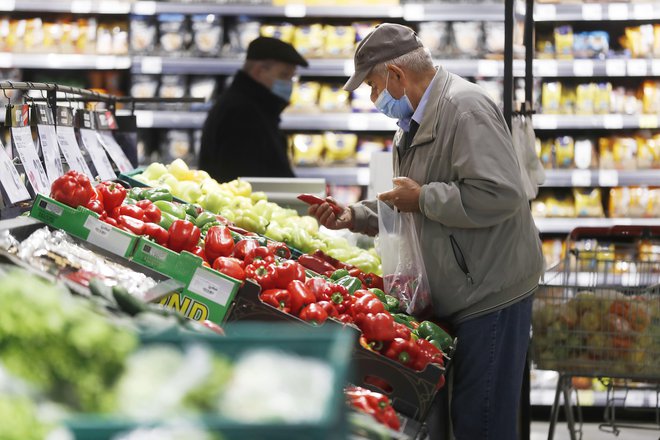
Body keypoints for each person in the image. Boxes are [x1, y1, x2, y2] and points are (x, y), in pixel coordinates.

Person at [308, 23, 544, 440]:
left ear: (397, 74)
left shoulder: (464, 109)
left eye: (373, 85)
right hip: (463, 288)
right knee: (465, 414)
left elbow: (502, 194)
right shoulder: (416, 120)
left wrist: (424, 199)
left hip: (491, 292)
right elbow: (410, 196)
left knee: (482, 420)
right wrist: (356, 215)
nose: (372, 97)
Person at [200, 36, 308, 182]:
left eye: (292, 77)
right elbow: (248, 179)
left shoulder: (249, 104)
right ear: (259, 71)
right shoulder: (242, 113)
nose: (289, 84)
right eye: (284, 75)